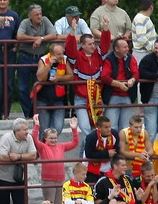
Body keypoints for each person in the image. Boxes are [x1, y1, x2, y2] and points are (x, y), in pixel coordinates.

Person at [65, 16, 112, 146]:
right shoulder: (76, 57)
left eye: (94, 43)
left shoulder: (99, 55)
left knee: (97, 128)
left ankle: (88, 153)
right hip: (81, 99)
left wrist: (106, 29)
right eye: (90, 44)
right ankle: (89, 153)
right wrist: (73, 32)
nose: (93, 46)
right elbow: (69, 48)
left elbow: (105, 44)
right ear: (82, 45)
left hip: (97, 99)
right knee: (85, 128)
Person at [0, 117, 37, 204]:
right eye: (24, 130)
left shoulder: (29, 138)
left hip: (19, 177)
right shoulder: (6, 138)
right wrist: (18, 158)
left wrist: (18, 156)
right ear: (17, 131)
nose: (27, 132)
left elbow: (33, 155)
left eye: (27, 129)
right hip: (3, 177)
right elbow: (2, 156)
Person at [32, 115, 79, 204]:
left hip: (60, 180)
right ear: (45, 138)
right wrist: (36, 125)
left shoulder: (61, 146)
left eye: (55, 138)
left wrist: (74, 129)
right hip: (48, 180)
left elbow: (75, 143)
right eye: (51, 138)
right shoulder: (43, 147)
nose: (53, 140)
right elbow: (34, 139)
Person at [16, 4, 56, 118]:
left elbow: (53, 34)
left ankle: (36, 112)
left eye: (40, 14)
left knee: (40, 85)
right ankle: (27, 113)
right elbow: (19, 36)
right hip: (25, 57)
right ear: (30, 16)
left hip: (41, 58)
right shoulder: (25, 22)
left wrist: (41, 39)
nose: (39, 16)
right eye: (36, 14)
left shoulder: (45, 20)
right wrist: (36, 39)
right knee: (23, 87)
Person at [34, 42, 73, 135]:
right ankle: (44, 144)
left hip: (58, 99)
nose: (61, 56)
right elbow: (40, 78)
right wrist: (48, 65)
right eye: (58, 54)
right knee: (44, 130)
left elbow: (71, 76)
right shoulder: (43, 60)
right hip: (43, 99)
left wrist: (59, 78)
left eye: (62, 53)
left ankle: (50, 142)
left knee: (58, 127)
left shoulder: (65, 59)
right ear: (51, 54)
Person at [101, 36, 139, 131]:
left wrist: (132, 80)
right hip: (112, 96)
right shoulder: (109, 59)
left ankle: (122, 141)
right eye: (124, 47)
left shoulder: (130, 58)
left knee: (125, 128)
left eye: (127, 46)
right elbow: (104, 76)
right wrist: (119, 84)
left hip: (127, 95)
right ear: (116, 49)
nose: (127, 49)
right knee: (111, 127)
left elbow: (136, 72)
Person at [84, 116, 119, 184]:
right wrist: (107, 153)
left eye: (110, 126)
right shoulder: (91, 137)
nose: (109, 129)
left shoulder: (114, 134)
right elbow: (89, 154)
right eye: (106, 127)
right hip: (91, 169)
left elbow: (117, 151)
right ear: (99, 128)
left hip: (108, 169)